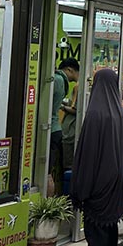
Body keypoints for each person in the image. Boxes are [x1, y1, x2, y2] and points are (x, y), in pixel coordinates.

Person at [68, 68, 123, 246]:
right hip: (115, 181)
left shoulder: (95, 113)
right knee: (109, 228)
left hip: (98, 182)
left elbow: (88, 154)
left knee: (96, 231)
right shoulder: (119, 113)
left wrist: (81, 188)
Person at [50, 58, 80, 196]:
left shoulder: (57, 80)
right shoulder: (63, 82)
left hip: (58, 128)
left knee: (49, 172)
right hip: (59, 128)